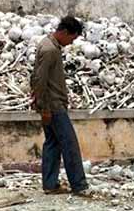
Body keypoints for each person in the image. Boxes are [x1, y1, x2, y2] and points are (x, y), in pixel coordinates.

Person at [30, 16, 91, 196]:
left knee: (53, 143)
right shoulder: (50, 50)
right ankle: (79, 185)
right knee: (69, 143)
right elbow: (40, 80)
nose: (71, 42)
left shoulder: (47, 44)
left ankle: (50, 184)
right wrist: (45, 108)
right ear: (64, 32)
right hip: (53, 105)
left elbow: (37, 78)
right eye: (72, 38)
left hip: (50, 103)